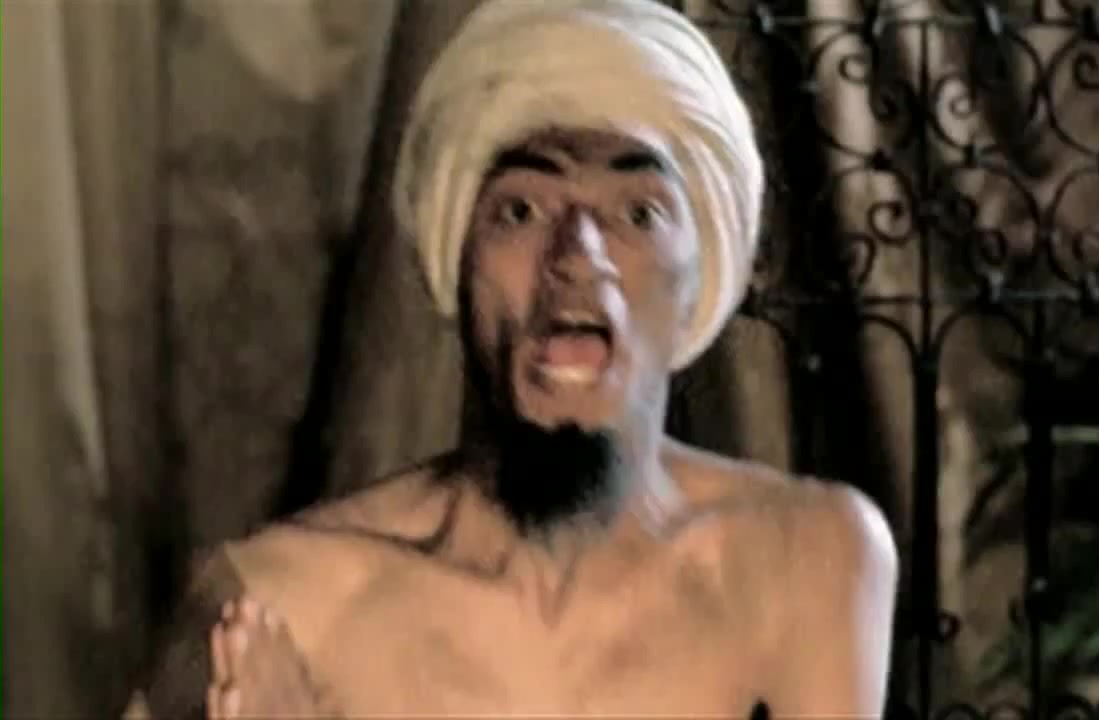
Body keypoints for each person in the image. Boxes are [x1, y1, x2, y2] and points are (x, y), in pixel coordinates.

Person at [138, 0, 899, 717]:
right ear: (457, 258)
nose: (578, 256)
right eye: (522, 210)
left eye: (638, 213)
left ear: (700, 279)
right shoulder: (278, 604)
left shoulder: (806, 561)